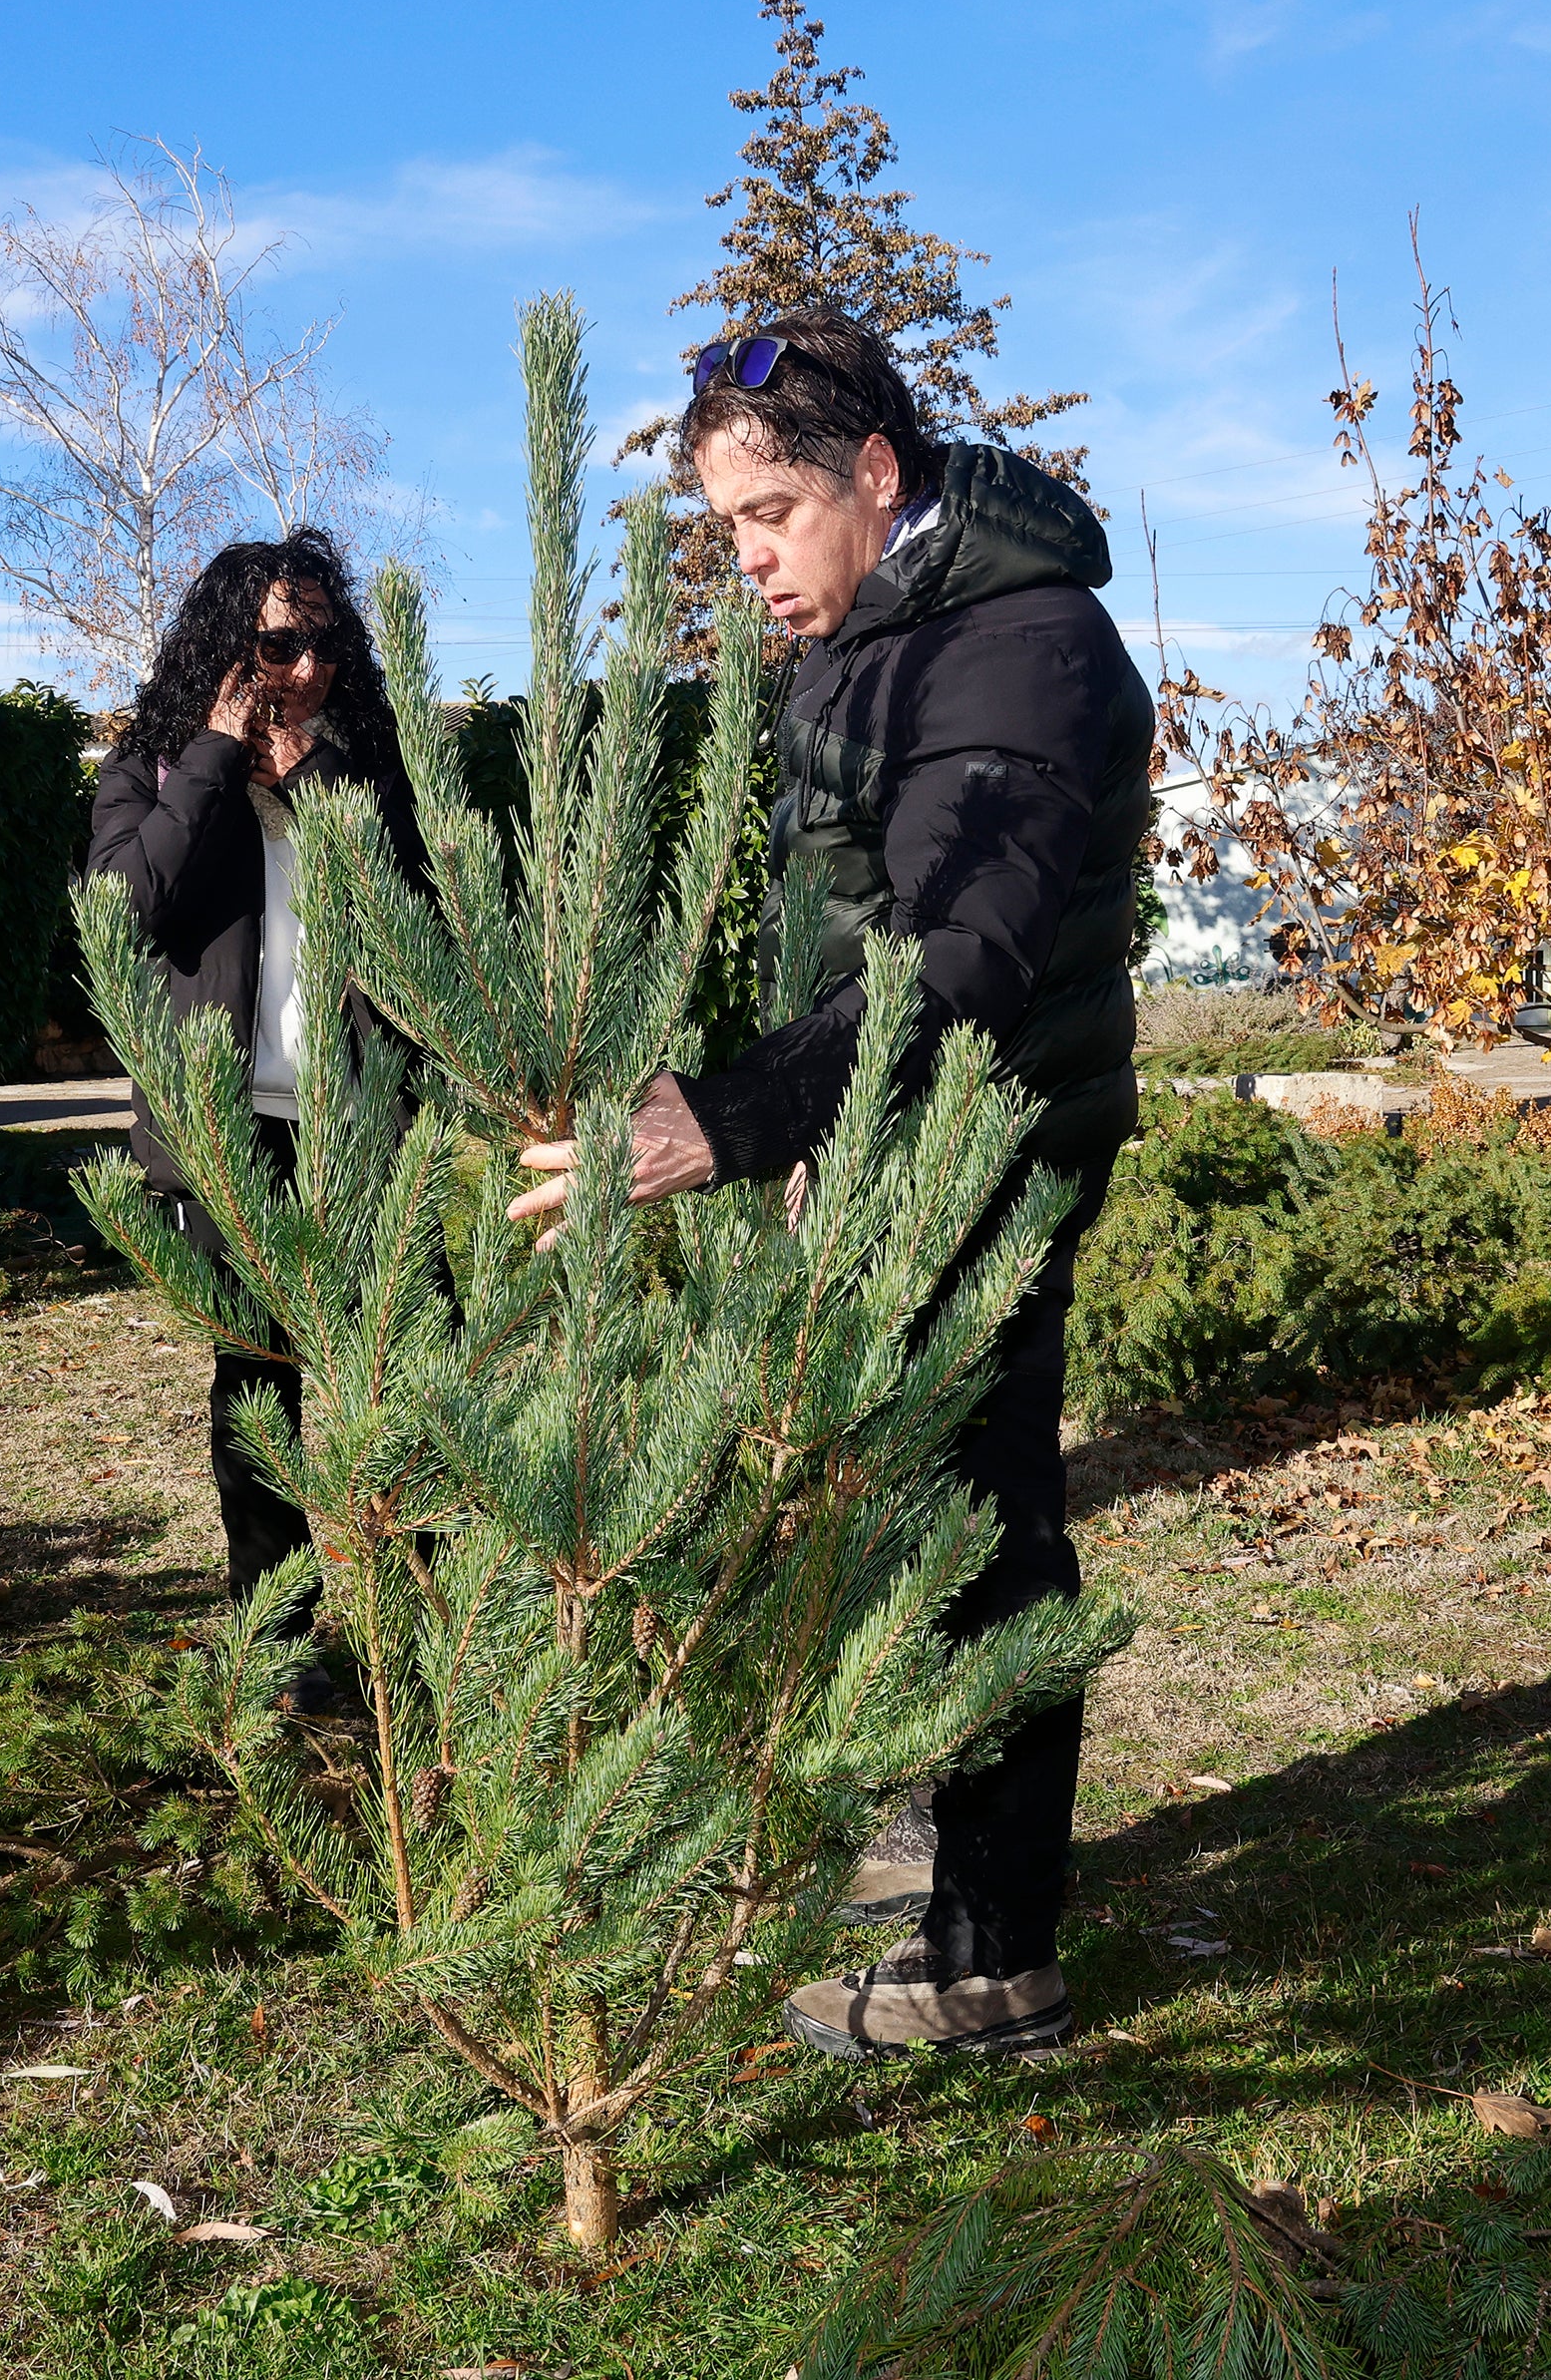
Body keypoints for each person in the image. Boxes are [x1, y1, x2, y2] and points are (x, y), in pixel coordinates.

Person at [509, 312, 1154, 2059]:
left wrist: (736, 1117)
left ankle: (993, 1948)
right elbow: (855, 932)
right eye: (727, 529)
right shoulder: (879, 630)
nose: (751, 562)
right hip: (897, 1131)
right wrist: (818, 1140)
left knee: (981, 1530)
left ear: (876, 473)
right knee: (901, 1508)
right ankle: (946, 1831)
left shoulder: (1018, 641)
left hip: (991, 1144)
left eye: (773, 514)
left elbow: (971, 946)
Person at [89, 533, 428, 1701]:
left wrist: (317, 782)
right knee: (259, 1390)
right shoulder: (149, 771)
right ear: (227, 649)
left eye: (323, 644)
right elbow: (124, 913)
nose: (304, 668)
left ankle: (432, 1633)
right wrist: (215, 758)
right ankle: (277, 1648)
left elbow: (421, 928)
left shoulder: (363, 773)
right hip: (230, 1132)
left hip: (366, 1125)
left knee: (407, 1376)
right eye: (278, 641)